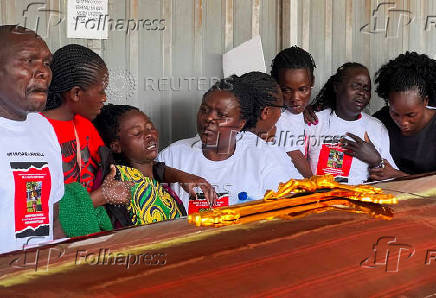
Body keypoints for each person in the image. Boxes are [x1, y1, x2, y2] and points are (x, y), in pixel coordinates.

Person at [158, 73, 301, 213]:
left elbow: (292, 207)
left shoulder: (262, 156)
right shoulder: (173, 156)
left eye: (221, 115)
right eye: (204, 110)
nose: (208, 118)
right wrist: (178, 175)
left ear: (240, 124)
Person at [0, 25, 64, 253]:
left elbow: (52, 220)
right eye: (28, 61)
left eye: (46, 63)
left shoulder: (44, 127)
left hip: (36, 281)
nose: (43, 72)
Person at [93, 104, 186, 226]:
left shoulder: (162, 187)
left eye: (150, 127)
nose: (149, 134)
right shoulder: (116, 181)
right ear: (116, 146)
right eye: (137, 133)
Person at [306, 62, 397, 184]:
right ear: (337, 87)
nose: (362, 92)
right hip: (317, 197)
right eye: (356, 86)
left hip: (359, 198)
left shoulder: (377, 128)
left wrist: (375, 160)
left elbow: (391, 179)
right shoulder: (314, 121)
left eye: (366, 89)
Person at [371, 51, 436, 179]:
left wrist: (398, 175)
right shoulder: (381, 120)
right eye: (395, 114)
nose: (403, 122)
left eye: (411, 115)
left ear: (426, 101)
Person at [270, 46, 316, 177]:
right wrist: (315, 185)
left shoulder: (307, 113)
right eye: (286, 90)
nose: (295, 98)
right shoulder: (275, 117)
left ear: (312, 81)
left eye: (303, 89)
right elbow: (296, 156)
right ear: (275, 84)